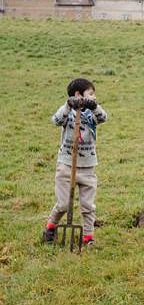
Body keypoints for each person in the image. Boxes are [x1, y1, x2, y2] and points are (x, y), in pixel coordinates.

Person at [42, 78, 108, 247]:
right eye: (91, 94)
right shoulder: (67, 112)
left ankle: (88, 237)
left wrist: (95, 105)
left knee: (88, 205)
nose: (94, 97)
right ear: (78, 94)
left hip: (88, 167)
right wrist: (68, 105)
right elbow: (56, 120)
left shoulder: (92, 114)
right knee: (63, 204)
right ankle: (51, 227)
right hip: (66, 166)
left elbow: (103, 117)